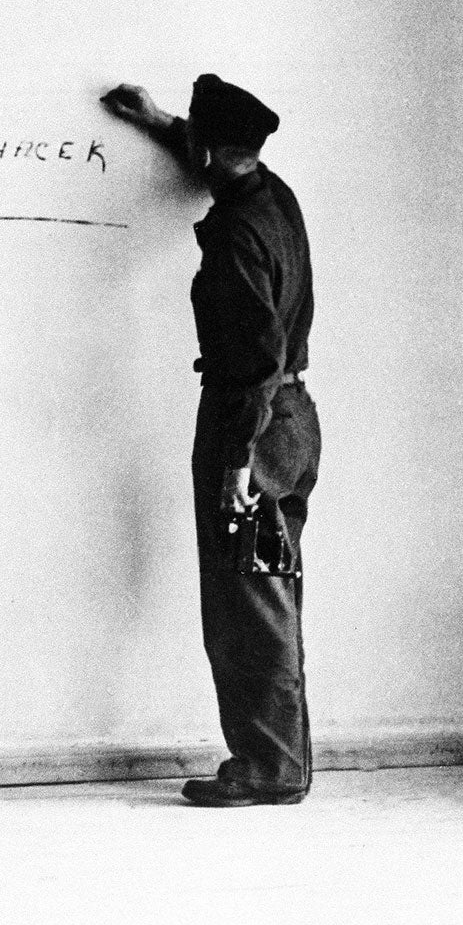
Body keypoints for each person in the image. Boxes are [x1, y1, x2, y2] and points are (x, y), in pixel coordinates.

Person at [102, 74, 320, 806]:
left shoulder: (234, 236)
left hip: (249, 424)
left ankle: (269, 768)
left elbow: (252, 361)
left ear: (215, 147)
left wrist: (235, 464)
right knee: (266, 591)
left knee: (247, 602)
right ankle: (278, 760)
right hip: (291, 419)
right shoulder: (269, 192)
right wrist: (163, 121)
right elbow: (213, 156)